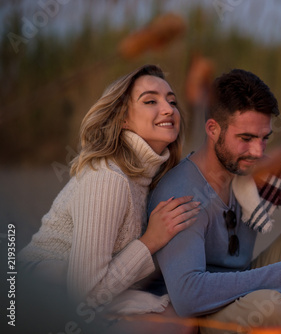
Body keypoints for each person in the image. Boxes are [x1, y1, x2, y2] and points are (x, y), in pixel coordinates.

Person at [149, 69, 281, 333]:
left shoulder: (256, 172)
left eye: (264, 139)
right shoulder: (182, 193)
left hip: (249, 283)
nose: (258, 152)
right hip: (201, 318)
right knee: (268, 304)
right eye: (246, 139)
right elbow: (188, 297)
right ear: (213, 129)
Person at [18, 64, 200, 332]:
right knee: (172, 324)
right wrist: (150, 240)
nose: (168, 109)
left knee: (181, 319)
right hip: (31, 296)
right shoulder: (108, 177)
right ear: (123, 118)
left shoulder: (153, 178)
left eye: (171, 101)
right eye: (151, 100)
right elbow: (84, 294)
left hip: (91, 296)